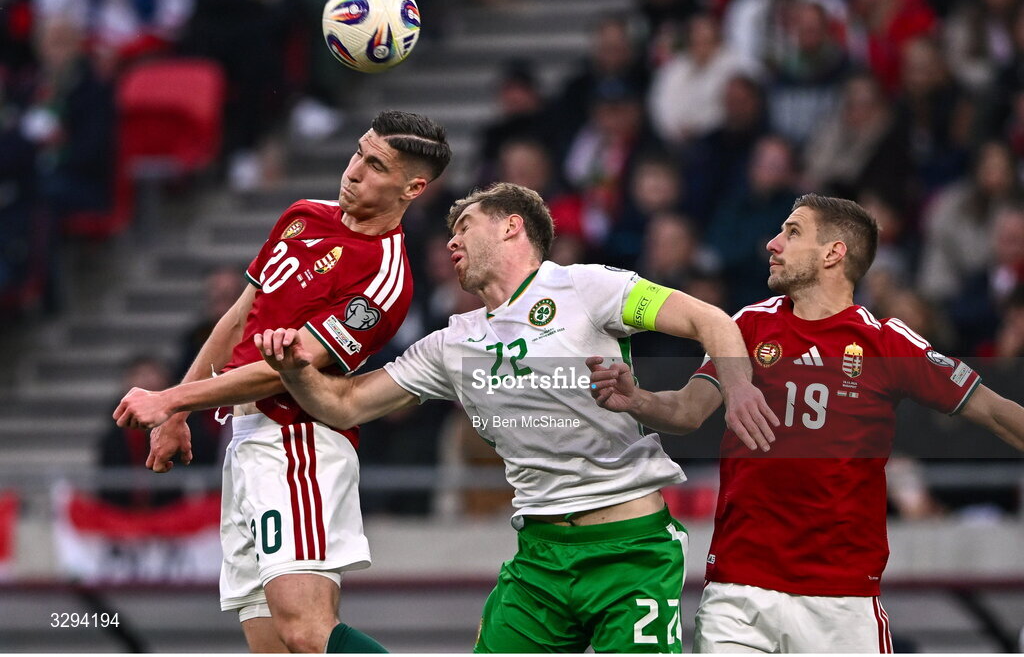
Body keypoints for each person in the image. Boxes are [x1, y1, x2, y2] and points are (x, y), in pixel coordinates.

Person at [254, 182, 778, 653]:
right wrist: (296, 370)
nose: (450, 243)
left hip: (631, 549)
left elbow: (709, 320)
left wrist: (736, 389)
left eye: (464, 226)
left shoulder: (585, 287)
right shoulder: (450, 344)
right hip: (538, 559)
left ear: (511, 226)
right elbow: (344, 403)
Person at [588, 193, 1024, 653]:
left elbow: (995, 411)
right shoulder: (749, 326)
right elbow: (687, 411)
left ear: (834, 253)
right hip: (740, 592)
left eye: (793, 232)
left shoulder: (884, 342)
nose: (773, 243)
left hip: (842, 598)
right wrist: (637, 399)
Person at [112, 110, 452, 654]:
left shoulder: (387, 277)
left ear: (412, 187)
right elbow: (238, 319)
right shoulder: (301, 215)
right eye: (357, 152)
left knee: (306, 631)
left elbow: (289, 367)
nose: (353, 170)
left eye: (375, 164)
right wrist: (178, 414)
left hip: (299, 445)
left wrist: (171, 396)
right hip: (244, 445)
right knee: (272, 645)